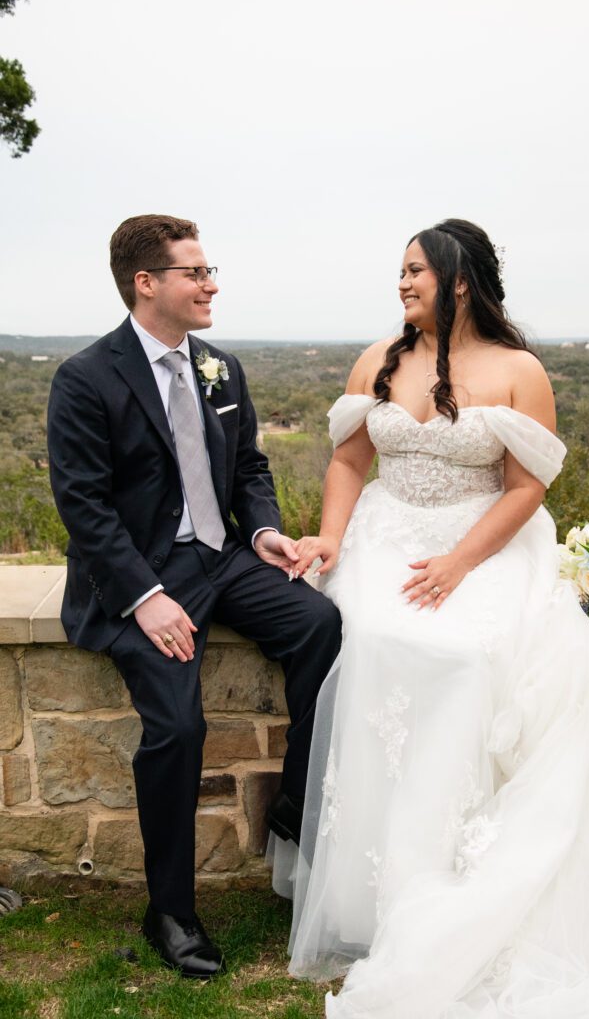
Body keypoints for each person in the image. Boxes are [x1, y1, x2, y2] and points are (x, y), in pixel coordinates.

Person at [271, 219, 589, 1017]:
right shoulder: (377, 360)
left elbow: (526, 487)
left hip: (482, 544)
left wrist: (461, 561)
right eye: (398, 271)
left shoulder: (517, 370)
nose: (401, 283)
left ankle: (452, 875)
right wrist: (328, 536)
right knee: (375, 640)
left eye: (415, 271)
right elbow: (350, 460)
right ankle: (369, 891)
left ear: (460, 281)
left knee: (466, 656)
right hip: (385, 542)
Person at [47, 214, 341, 978]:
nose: (211, 285)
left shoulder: (219, 367)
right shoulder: (85, 377)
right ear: (146, 283)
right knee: (178, 726)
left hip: (225, 557)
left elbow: (248, 468)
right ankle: (170, 910)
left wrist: (266, 533)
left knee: (319, 624)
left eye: (210, 272)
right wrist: (143, 594)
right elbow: (82, 504)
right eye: (196, 272)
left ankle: (290, 802)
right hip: (144, 572)